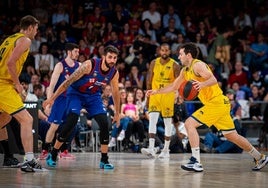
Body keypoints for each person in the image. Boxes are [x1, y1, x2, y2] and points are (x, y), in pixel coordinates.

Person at [146, 42, 268, 172]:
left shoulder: (198, 65)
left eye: (181, 54)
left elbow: (213, 79)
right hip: (219, 104)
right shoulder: (184, 71)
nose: (179, 57)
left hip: (216, 102)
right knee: (232, 136)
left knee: (189, 124)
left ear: (188, 55)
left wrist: (201, 85)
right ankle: (259, 157)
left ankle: (196, 161)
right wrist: (156, 91)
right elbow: (173, 86)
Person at [43, 45, 120, 169]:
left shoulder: (114, 73)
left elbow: (116, 93)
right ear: (104, 56)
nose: (112, 60)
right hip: (76, 94)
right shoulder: (89, 65)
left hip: (93, 96)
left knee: (104, 123)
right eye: (110, 57)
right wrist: (52, 98)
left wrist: (117, 113)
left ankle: (104, 160)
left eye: (115, 58)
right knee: (72, 121)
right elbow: (68, 82)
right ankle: (53, 153)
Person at [0, 15, 43, 172]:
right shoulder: (25, 40)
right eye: (36, 29)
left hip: (3, 83)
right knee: (27, 119)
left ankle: (9, 158)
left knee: (4, 119)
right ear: (30, 27)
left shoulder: (9, 39)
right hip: (4, 84)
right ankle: (29, 160)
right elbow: (10, 62)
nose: (36, 33)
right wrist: (18, 85)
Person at [39, 43, 80, 160]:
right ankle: (45, 150)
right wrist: (48, 102)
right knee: (54, 126)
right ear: (69, 52)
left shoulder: (80, 66)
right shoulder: (60, 66)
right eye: (76, 51)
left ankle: (64, 150)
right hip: (60, 99)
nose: (78, 54)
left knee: (70, 126)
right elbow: (51, 86)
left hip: (72, 100)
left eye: (78, 52)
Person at [141, 43, 181, 159]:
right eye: (162, 50)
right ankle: (151, 148)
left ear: (170, 52)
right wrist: (148, 96)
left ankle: (166, 149)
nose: (164, 52)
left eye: (166, 50)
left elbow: (178, 83)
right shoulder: (154, 63)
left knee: (167, 123)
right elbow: (149, 79)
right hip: (154, 95)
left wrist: (177, 95)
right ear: (159, 51)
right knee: (152, 121)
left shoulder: (175, 65)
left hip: (168, 96)